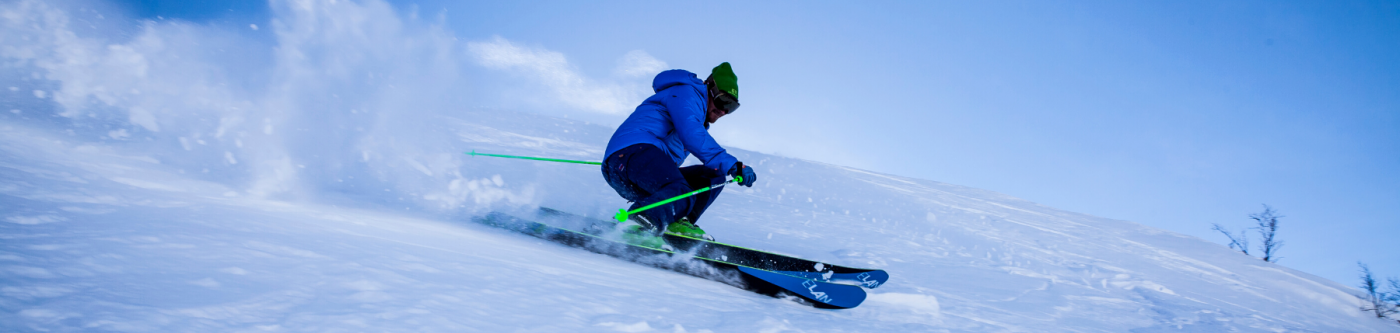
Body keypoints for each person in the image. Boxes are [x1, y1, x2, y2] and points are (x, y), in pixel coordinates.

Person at [602, 62, 757, 247]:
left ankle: (677, 223)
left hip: (641, 169)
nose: (724, 110)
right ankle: (638, 222)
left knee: (711, 176)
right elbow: (692, 134)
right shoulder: (687, 93)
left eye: (731, 107)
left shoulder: (697, 113)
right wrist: (733, 165)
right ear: (710, 88)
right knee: (680, 191)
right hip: (630, 156)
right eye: (723, 101)